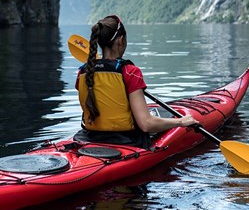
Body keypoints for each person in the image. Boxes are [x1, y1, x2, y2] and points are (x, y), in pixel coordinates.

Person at [74, 15, 199, 148]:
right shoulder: (130, 72)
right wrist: (181, 122)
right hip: (126, 141)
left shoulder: (83, 72)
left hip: (88, 138)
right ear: (120, 41)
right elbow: (146, 124)